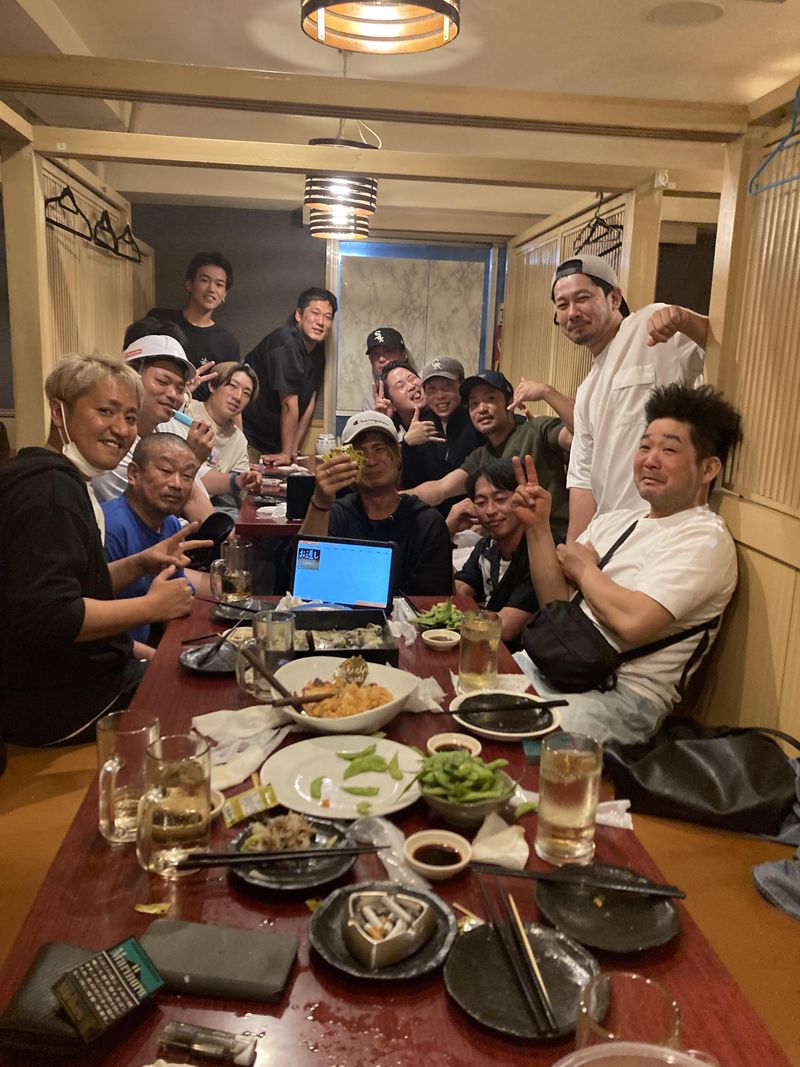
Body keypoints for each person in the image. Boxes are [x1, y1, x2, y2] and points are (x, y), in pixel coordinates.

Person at [511, 382, 742, 744]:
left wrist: (583, 568)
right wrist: (537, 527)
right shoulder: (616, 521)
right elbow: (556, 605)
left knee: (513, 739)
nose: (650, 460)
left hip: (621, 698)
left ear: (709, 468)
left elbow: (634, 621)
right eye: (645, 446)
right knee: (464, 693)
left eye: (669, 450)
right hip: (556, 667)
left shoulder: (704, 538)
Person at [0, 355, 205, 747]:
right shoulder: (50, 493)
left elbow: (72, 586)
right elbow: (49, 616)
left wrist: (141, 563)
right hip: (51, 702)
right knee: (194, 694)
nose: (121, 429)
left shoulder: (59, 478)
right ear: (59, 412)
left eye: (130, 417)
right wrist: (150, 607)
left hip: (65, 680)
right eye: (105, 411)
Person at [550, 254, 707, 540]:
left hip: (666, 531)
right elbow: (583, 479)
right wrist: (574, 548)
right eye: (562, 305)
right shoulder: (586, 391)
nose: (572, 312)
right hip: (610, 537)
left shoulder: (649, 326)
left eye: (582, 298)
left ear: (614, 298)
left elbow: (725, 348)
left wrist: (685, 320)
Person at [300, 411, 452, 597]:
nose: (371, 461)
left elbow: (434, 600)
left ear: (398, 456)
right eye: (361, 453)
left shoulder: (427, 522)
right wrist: (320, 502)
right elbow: (306, 574)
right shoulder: (337, 515)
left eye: (379, 449)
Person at [407, 369, 571, 542]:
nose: (482, 409)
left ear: (510, 402)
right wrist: (394, 499)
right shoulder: (481, 456)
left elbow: (579, 435)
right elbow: (441, 488)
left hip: (550, 538)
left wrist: (546, 391)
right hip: (506, 545)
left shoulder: (535, 430)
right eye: (474, 404)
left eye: (490, 399)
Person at [92, 324, 215, 523]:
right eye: (162, 382)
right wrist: (191, 460)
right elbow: (150, 520)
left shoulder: (166, 427)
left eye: (180, 388)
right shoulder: (112, 441)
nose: (173, 394)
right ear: (131, 378)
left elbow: (197, 502)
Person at [103, 433, 211, 658]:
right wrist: (163, 661)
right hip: (111, 660)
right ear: (133, 474)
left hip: (145, 650)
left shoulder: (170, 524)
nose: (177, 484)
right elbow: (99, 633)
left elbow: (174, 609)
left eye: (187, 476)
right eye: (165, 471)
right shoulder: (111, 527)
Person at [243, 287, 338, 465]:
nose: (321, 322)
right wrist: (286, 452)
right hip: (249, 439)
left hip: (276, 444)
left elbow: (309, 402)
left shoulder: (318, 353)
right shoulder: (286, 342)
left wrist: (292, 450)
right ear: (299, 315)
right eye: (315, 313)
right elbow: (288, 404)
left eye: (328, 317)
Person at [452, 460, 539, 650]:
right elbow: (457, 596)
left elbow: (505, 628)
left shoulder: (539, 553)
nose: (490, 511)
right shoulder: (487, 546)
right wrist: (445, 534)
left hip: (522, 660)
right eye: (481, 503)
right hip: (485, 649)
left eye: (500, 499)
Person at [148, 251, 239, 400]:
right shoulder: (160, 320)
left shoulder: (228, 344)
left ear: (224, 294)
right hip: (153, 402)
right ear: (189, 284)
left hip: (196, 412)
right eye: (204, 280)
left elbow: (227, 393)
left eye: (219, 284)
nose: (211, 289)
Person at [400, 356, 484, 512]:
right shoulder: (420, 424)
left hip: (472, 512)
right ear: (424, 392)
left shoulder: (476, 420)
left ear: (461, 387)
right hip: (430, 514)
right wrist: (408, 445)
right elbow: (411, 480)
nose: (440, 396)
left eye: (447, 386)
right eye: (432, 388)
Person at [186, 361, 261, 505]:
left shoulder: (238, 440)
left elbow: (241, 487)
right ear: (212, 386)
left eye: (246, 393)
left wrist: (251, 486)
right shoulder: (186, 410)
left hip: (204, 507)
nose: (238, 397)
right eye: (232, 386)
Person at [373, 360, 425, 435]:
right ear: (391, 403)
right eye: (400, 386)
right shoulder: (396, 435)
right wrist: (383, 423)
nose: (411, 386)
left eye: (412, 378)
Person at [362, 327, 409, 408]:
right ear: (370, 360)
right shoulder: (371, 402)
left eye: (388, 351)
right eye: (375, 354)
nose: (381, 359)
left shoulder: (419, 389)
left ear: (403, 355)